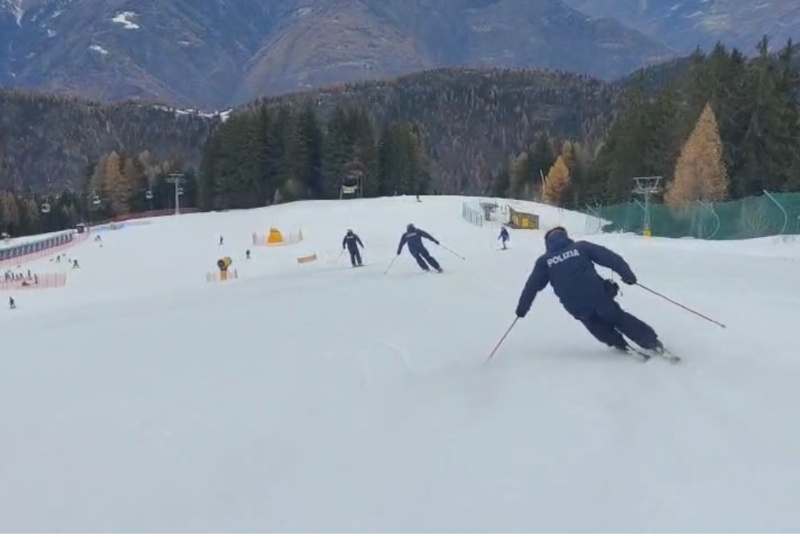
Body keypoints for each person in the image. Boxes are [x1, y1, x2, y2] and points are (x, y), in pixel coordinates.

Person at [515, 226, 664, 354]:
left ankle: (619, 344)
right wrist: (627, 275)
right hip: (598, 295)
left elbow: (531, 287)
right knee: (616, 316)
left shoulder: (544, 261)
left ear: (547, 243)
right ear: (565, 237)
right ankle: (650, 342)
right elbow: (610, 258)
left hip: (574, 305)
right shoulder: (581, 247)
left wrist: (522, 309)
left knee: (594, 323)